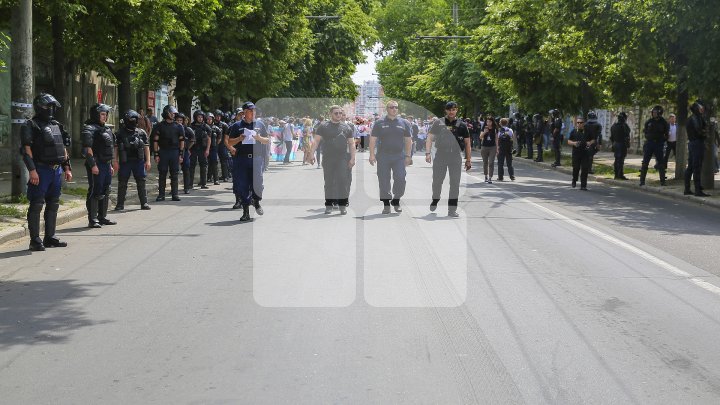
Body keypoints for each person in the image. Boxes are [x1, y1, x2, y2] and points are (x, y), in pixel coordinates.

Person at [20, 93, 73, 251]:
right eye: (47, 106)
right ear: (39, 107)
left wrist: (67, 167)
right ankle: (35, 240)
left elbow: (62, 148)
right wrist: (32, 171)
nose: (50, 109)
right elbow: (26, 150)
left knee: (53, 204)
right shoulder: (30, 125)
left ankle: (50, 237)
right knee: (36, 204)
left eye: (52, 106)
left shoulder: (56, 124)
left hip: (55, 171)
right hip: (40, 169)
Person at [425, 101, 471, 217]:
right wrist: (428, 153)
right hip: (441, 155)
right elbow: (430, 138)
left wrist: (468, 159)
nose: (452, 112)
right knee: (437, 181)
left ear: (457, 110)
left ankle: (452, 209)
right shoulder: (438, 123)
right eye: (449, 109)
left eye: (454, 109)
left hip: (455, 156)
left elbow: (467, 143)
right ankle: (435, 198)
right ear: (446, 110)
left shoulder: (462, 125)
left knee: (455, 183)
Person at [226, 101, 270, 221]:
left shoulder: (260, 124)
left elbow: (267, 140)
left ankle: (256, 202)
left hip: (256, 158)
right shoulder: (237, 125)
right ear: (244, 112)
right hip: (242, 159)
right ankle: (246, 212)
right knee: (243, 185)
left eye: (254, 110)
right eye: (250, 110)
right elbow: (229, 142)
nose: (253, 112)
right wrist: (239, 138)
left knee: (258, 184)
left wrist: (259, 138)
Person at [309, 105, 356, 215]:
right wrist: (311, 154)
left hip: (342, 158)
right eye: (336, 113)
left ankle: (342, 205)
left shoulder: (346, 127)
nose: (339, 115)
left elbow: (351, 143)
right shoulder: (323, 126)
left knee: (343, 180)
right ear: (330, 114)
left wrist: (353, 158)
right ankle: (329, 205)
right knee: (329, 181)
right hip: (328, 158)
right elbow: (316, 141)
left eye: (340, 113)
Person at [369, 100, 413, 214]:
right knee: (383, 180)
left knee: (400, 178)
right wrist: (372, 154)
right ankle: (386, 204)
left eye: (396, 107)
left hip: (399, 156)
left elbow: (408, 140)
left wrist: (408, 156)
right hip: (383, 155)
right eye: (392, 107)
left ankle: (396, 199)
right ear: (387, 109)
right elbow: (373, 139)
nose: (394, 109)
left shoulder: (404, 123)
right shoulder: (379, 123)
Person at [82, 103, 117, 228]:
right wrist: (93, 165)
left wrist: (111, 165)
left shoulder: (107, 129)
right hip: (96, 163)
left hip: (106, 164)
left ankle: (102, 217)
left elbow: (109, 148)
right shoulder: (89, 128)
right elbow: (87, 149)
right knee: (95, 190)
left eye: (106, 114)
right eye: (102, 114)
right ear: (96, 114)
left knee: (106, 190)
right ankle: (93, 219)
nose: (105, 116)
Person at [114, 110, 151, 211]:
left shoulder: (141, 132)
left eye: (134, 119)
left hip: (138, 161)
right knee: (122, 182)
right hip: (125, 161)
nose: (132, 121)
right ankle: (120, 204)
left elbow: (146, 147)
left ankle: (144, 203)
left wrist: (148, 161)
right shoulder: (120, 132)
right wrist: (115, 161)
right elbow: (116, 148)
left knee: (141, 181)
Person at [151, 105, 185, 201]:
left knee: (174, 173)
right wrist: (156, 154)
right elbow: (155, 141)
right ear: (167, 113)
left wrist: (181, 154)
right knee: (162, 173)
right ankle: (161, 195)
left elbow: (182, 141)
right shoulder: (159, 126)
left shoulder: (179, 126)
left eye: (174, 113)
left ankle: (175, 194)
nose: (174, 115)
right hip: (163, 152)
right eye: (172, 113)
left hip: (174, 151)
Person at [684, 101, 710, 197]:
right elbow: (700, 131)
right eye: (700, 108)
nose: (701, 110)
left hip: (694, 143)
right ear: (696, 109)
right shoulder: (694, 119)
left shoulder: (697, 118)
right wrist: (705, 132)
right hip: (696, 143)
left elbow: (704, 128)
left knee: (691, 166)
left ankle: (687, 189)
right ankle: (697, 190)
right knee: (696, 167)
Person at [640, 105, 669, 186]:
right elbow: (645, 131)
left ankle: (662, 181)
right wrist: (648, 137)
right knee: (645, 162)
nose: (653, 114)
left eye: (655, 112)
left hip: (659, 144)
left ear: (659, 113)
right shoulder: (649, 121)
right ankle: (642, 181)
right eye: (653, 112)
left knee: (661, 163)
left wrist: (662, 140)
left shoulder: (663, 122)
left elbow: (666, 134)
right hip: (649, 143)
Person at [568, 116, 595, 190]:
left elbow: (593, 139)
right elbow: (569, 141)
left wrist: (589, 142)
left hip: (585, 153)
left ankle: (583, 185)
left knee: (585, 169)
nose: (579, 124)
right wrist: (574, 143)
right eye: (578, 122)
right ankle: (574, 180)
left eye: (581, 123)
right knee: (576, 168)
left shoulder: (588, 131)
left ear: (584, 123)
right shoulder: (573, 131)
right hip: (576, 153)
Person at [189, 110, 211, 190]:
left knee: (203, 166)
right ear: (195, 117)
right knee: (191, 166)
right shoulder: (191, 127)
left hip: (203, 148)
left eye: (201, 117)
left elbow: (209, 139)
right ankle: (190, 184)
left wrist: (208, 149)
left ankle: (203, 183)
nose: (200, 118)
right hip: (193, 148)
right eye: (199, 117)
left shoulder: (206, 127)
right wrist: (188, 149)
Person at [175, 112, 195, 194]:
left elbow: (192, 140)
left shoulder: (188, 130)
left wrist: (187, 148)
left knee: (186, 169)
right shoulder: (173, 128)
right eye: (178, 120)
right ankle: (174, 188)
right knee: (174, 170)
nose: (179, 122)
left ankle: (186, 187)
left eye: (181, 120)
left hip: (184, 151)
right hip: (174, 151)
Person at [610, 112, 631, 180]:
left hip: (615, 144)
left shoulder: (614, 125)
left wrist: (613, 143)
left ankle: (616, 175)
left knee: (617, 159)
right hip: (621, 144)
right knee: (621, 160)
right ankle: (620, 174)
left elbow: (611, 137)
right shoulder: (624, 126)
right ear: (624, 118)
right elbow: (627, 134)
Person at [479, 116, 498, 183]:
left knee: (491, 162)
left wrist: (497, 148)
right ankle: (486, 176)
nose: (488, 123)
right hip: (484, 147)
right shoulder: (484, 128)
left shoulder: (495, 129)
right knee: (485, 162)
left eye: (489, 121)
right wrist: (485, 132)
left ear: (492, 122)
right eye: (487, 121)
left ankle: (490, 177)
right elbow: (480, 137)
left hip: (492, 147)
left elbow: (496, 139)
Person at [215, 109, 231, 181]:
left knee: (224, 160)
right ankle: (212, 176)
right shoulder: (211, 124)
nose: (218, 117)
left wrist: (226, 144)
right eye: (216, 116)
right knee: (213, 161)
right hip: (214, 144)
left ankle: (225, 176)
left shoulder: (224, 125)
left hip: (222, 145)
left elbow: (227, 136)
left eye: (219, 116)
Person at [206, 112, 221, 185]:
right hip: (204, 147)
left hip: (213, 147)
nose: (209, 120)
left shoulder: (216, 128)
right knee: (206, 163)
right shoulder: (204, 127)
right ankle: (206, 178)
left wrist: (215, 144)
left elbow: (219, 138)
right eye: (208, 119)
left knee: (214, 163)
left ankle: (216, 179)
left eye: (210, 119)